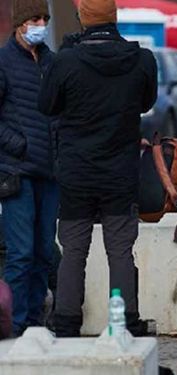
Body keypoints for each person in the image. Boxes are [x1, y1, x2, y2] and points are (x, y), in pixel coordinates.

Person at [38, 0, 157, 337]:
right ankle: (126, 321)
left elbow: (46, 105)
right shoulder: (142, 59)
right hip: (121, 172)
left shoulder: (66, 61)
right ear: (114, 17)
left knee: (74, 250)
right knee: (120, 250)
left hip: (77, 173)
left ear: (83, 17)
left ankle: (66, 323)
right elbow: (146, 103)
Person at [0, 0, 58, 336]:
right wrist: (16, 144)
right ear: (20, 22)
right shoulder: (4, 61)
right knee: (20, 254)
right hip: (17, 173)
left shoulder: (51, 62)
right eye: (35, 18)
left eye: (45, 18)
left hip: (50, 174)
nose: (41, 24)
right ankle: (15, 326)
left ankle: (35, 324)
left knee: (43, 254)